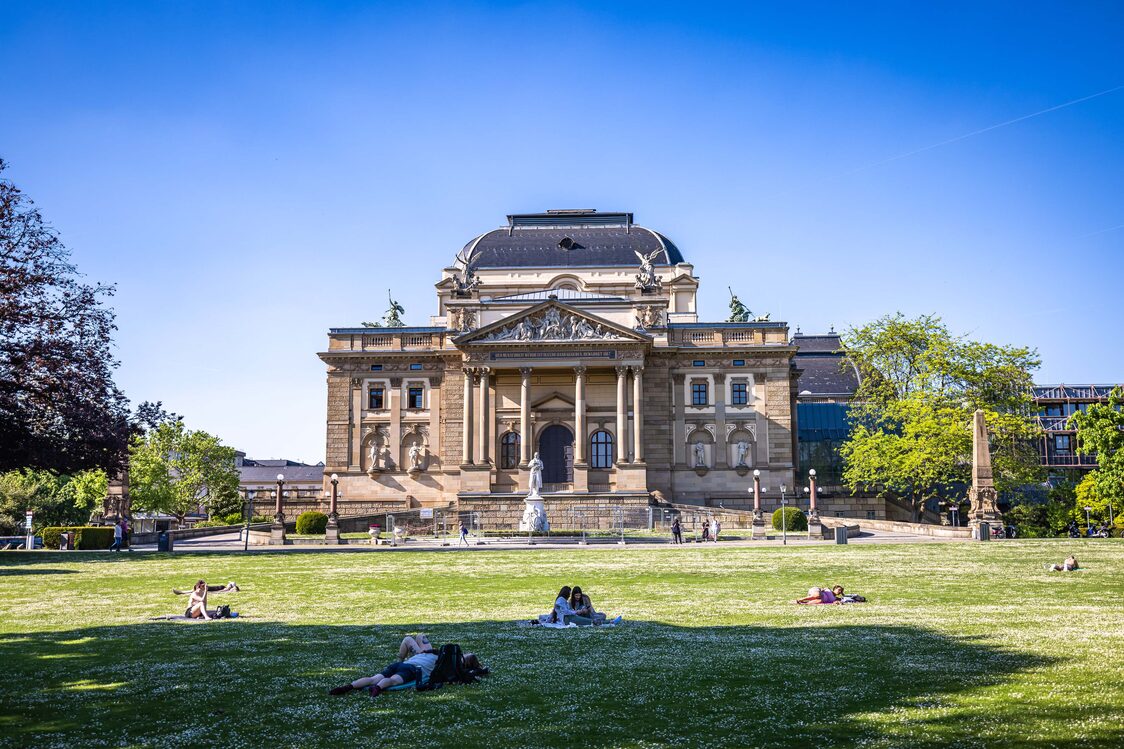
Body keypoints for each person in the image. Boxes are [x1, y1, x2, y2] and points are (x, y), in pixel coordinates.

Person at [329, 634, 484, 698]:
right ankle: (378, 688)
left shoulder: (441, 657)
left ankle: (349, 686)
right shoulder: (444, 662)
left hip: (405, 663)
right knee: (393, 680)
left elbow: (470, 658)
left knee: (374, 677)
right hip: (411, 667)